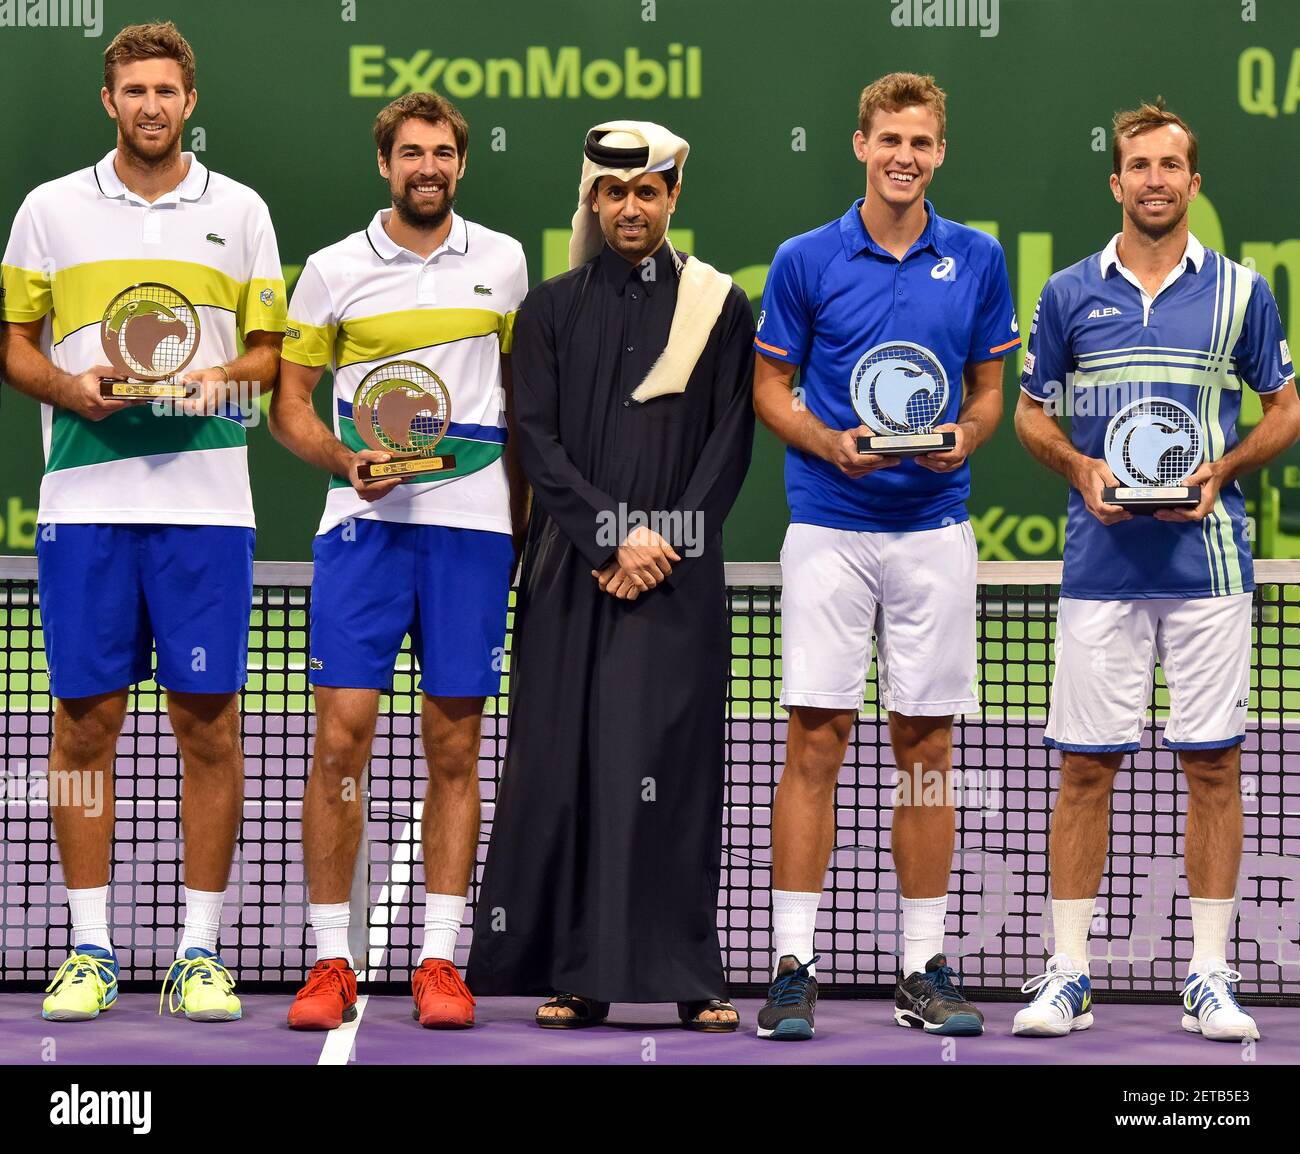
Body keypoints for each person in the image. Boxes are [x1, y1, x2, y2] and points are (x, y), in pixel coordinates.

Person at [0, 21, 285, 1022]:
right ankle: (91, 946)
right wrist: (72, 388)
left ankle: (197, 952)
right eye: (135, 92)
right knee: (83, 723)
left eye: (168, 91)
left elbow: (268, 362)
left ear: (190, 101)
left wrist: (218, 378)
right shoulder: (49, 211)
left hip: (205, 512)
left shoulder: (243, 213)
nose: (152, 107)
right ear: (109, 102)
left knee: (208, 727)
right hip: (84, 509)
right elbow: (15, 347)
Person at [1014, 99, 1298, 1042]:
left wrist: (1226, 468)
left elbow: (1285, 408)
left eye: (1171, 165)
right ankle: (1068, 975)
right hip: (1100, 567)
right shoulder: (1065, 293)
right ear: (1117, 181)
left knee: (1214, 766)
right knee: (1084, 771)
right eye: (1139, 165)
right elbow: (1028, 415)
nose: (1155, 180)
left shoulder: (1242, 294)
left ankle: (1210, 976)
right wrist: (1081, 467)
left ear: (1193, 181)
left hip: (1210, 569)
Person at [466, 121, 755, 1030]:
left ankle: (690, 977)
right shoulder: (548, 310)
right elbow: (537, 445)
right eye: (614, 192)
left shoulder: (722, 306)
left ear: (673, 198)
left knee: (669, 769)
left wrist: (657, 542)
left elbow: (729, 441)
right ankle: (578, 973)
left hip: (677, 578)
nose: (632, 206)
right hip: (569, 576)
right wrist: (608, 539)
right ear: (593, 200)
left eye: (649, 191)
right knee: (571, 767)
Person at [752, 73, 1019, 1039]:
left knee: (928, 750)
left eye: (922, 142)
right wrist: (826, 443)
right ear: (858, 145)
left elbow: (989, 393)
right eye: (888, 140)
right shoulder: (804, 258)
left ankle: (922, 968)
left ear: (939, 153)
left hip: (935, 531)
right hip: (829, 525)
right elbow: (769, 388)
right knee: (814, 741)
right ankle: (792, 966)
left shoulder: (979, 259)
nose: (904, 156)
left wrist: (969, 437)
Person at [270, 92, 528, 1030]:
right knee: (340, 740)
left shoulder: (503, 262)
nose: (429, 166)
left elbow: (519, 407)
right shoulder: (333, 269)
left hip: (471, 534)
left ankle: (438, 961)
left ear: (462, 164)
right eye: (412, 152)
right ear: (386, 163)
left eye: (444, 153)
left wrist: (523, 531)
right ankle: (331, 959)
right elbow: (289, 405)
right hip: (362, 531)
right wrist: (346, 461)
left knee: (455, 745)